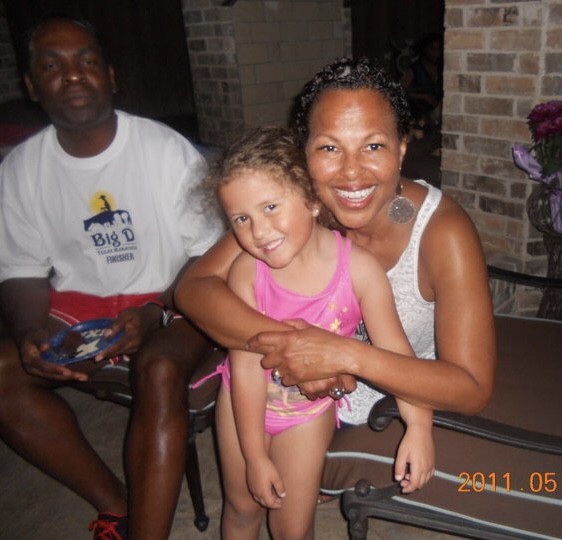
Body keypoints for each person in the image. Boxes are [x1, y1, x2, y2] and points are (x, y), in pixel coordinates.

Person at [174, 56, 495, 494]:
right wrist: (296, 349)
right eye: (329, 147)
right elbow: (193, 288)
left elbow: (471, 388)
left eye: (374, 146)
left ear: (402, 149)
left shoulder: (442, 233)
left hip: (391, 403)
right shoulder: (299, 210)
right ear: (303, 153)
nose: (350, 171)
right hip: (288, 399)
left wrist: (343, 355)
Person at [0, 15, 223, 540]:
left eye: (87, 61)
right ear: (32, 86)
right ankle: (118, 505)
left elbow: (213, 256)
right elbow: (22, 269)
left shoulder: (163, 150)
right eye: (52, 66)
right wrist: (31, 330)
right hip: (82, 303)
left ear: (111, 76)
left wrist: (158, 311)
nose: (73, 75)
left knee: (161, 367)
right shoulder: (20, 169)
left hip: (175, 293)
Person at [205, 126, 434, 539]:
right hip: (241, 404)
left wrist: (418, 428)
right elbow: (244, 369)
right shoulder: (245, 272)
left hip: (307, 417)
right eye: (242, 218)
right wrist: (254, 456)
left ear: (311, 199)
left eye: (271, 206)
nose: (258, 231)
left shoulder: (359, 270)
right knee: (241, 509)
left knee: (293, 526)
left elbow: (398, 357)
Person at [400, 32, 444, 131]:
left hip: (438, 118)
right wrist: (423, 97)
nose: (436, 53)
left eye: (438, 49)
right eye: (432, 49)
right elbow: (400, 93)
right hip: (418, 118)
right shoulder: (414, 69)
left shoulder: (442, 69)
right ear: (424, 49)